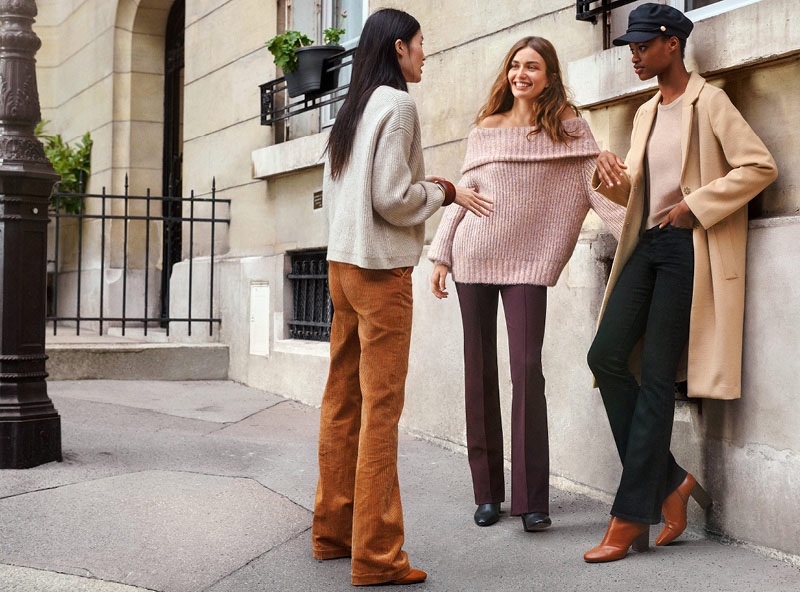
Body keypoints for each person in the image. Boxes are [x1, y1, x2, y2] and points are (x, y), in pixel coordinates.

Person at [584, 3, 777, 563]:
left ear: (673, 44)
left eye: (643, 45)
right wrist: (616, 184)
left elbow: (759, 166)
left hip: (685, 251)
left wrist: (695, 205)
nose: (634, 55)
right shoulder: (645, 113)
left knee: (656, 381)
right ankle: (671, 482)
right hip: (644, 243)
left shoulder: (709, 101)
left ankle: (628, 519)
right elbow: (641, 192)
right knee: (606, 357)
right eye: (630, 47)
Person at [311, 8, 493, 587]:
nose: (424, 55)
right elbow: (392, 196)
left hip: (341, 267)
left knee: (342, 402)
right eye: (419, 45)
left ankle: (333, 534)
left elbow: (347, 193)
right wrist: (446, 189)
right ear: (397, 49)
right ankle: (378, 557)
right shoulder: (397, 106)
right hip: (379, 273)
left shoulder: (354, 108)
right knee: (380, 412)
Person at [428, 37, 624, 533]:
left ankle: (533, 500)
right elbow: (463, 196)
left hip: (528, 264)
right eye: (515, 65)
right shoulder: (485, 130)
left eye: (532, 66)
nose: (521, 74)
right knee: (479, 373)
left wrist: (641, 233)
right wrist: (441, 256)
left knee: (527, 371)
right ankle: (487, 494)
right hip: (473, 255)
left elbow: (596, 191)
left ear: (549, 76)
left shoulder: (571, 131)